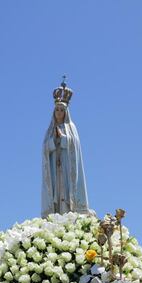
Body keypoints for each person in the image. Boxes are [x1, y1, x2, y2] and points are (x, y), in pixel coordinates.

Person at [41, 79, 90, 217]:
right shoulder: (50, 130)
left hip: (67, 168)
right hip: (55, 168)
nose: (59, 112)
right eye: (57, 109)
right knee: (56, 191)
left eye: (62, 110)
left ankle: (70, 212)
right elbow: (45, 148)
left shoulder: (71, 127)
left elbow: (74, 146)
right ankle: (56, 213)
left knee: (66, 192)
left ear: (66, 112)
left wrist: (62, 138)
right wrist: (52, 142)